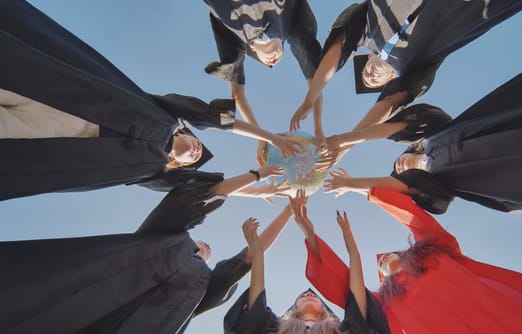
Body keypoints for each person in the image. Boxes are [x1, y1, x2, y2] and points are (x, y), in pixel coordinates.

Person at [0, 0, 299, 201]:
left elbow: (210, 189)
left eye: (192, 159)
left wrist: (256, 185)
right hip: (67, 92)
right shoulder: (163, 118)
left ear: (174, 166)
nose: (196, 150)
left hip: (44, 143)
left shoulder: (149, 170)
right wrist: (270, 138)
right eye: (194, 141)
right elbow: (221, 121)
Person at [323, 24, 522, 223]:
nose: (399, 166)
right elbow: (399, 190)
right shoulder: (441, 187)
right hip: (516, 174)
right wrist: (350, 185)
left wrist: (345, 140)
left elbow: (393, 128)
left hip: (515, 121)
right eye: (401, 173)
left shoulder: (437, 130)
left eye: (398, 161)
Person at [0, 168, 292, 334]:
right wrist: (258, 175)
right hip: (77, 302)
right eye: (200, 244)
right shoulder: (162, 238)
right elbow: (201, 195)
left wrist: (290, 210)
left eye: (206, 251)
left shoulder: (204, 286)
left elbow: (251, 255)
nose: (205, 249)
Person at [302, 187, 522, 334]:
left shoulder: (436, 252)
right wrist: (309, 232)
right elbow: (344, 283)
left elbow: (416, 219)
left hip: (504, 314)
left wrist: (364, 190)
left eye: (386, 257)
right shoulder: (385, 303)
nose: (382, 263)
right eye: (381, 267)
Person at [289, 0, 522, 147]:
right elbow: (387, 105)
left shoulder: (369, 29)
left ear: (367, 56)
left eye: (365, 71)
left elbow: (338, 48)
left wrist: (311, 97)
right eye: (374, 80)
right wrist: (344, 143)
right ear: (391, 79)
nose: (370, 74)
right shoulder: (415, 66)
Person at [223, 191, 386, 334]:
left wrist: (353, 252)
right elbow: (255, 311)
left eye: (310, 295)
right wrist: (258, 253)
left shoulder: (340, 333)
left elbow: (357, 303)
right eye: (304, 295)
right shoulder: (276, 331)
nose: (309, 294)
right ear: (293, 311)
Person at [203, 0, 324, 157]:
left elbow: (238, 96)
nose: (274, 60)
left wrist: (260, 139)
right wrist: (318, 127)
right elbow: (316, 80)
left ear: (252, 48)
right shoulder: (291, 27)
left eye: (269, 62)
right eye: (280, 56)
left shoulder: (237, 37)